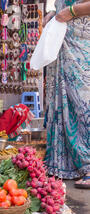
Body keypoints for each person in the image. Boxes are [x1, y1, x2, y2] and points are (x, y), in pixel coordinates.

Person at [42, 0, 90, 188]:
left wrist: (71, 11)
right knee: (61, 101)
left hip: (82, 41)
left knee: (83, 102)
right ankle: (63, 165)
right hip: (63, 37)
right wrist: (53, 13)